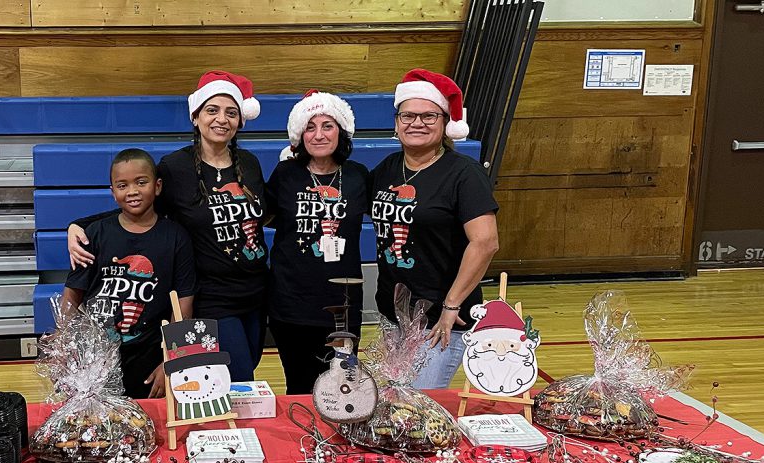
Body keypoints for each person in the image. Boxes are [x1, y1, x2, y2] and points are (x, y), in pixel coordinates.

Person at [68, 71, 267, 382]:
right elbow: (137, 201)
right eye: (212, 110)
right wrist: (78, 224)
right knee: (239, 377)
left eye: (231, 112)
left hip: (256, 293)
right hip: (211, 296)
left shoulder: (251, 164)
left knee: (248, 368)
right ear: (196, 116)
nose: (221, 119)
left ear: (241, 120)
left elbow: (260, 215)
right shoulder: (175, 168)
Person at [369, 68, 500, 389]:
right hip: (394, 314)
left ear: (445, 123)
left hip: (442, 319)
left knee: (420, 407)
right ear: (397, 122)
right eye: (407, 116)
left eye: (428, 116)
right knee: (395, 403)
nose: (416, 123)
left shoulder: (464, 174)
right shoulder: (388, 168)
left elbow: (485, 243)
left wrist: (451, 305)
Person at [62, 148, 196, 399]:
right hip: (96, 359)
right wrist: (66, 346)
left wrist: (171, 361)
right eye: (122, 185)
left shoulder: (177, 237)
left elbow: (183, 308)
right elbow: (72, 295)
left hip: (150, 358)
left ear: (157, 187)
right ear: (113, 193)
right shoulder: (95, 233)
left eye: (141, 182)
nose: (132, 191)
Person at [265, 90, 368, 395]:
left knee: (340, 385)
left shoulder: (358, 176)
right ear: (300, 135)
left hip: (342, 303)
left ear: (342, 131)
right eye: (310, 127)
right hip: (290, 302)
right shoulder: (285, 174)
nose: (319, 134)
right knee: (298, 384)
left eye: (327, 126)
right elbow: (264, 217)